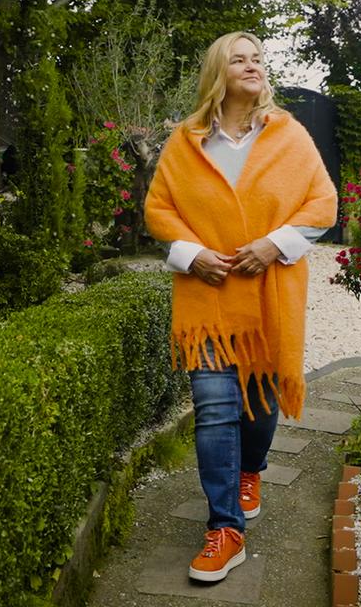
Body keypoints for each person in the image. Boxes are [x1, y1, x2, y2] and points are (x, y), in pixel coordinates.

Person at [144, 31, 337, 583]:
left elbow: (322, 204)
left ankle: (251, 468)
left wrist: (275, 245)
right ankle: (225, 528)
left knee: (257, 402)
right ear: (218, 73)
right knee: (213, 407)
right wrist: (190, 254)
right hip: (207, 295)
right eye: (239, 58)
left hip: (267, 293)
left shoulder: (289, 135)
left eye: (258, 58)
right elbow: (160, 210)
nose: (252, 66)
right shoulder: (187, 141)